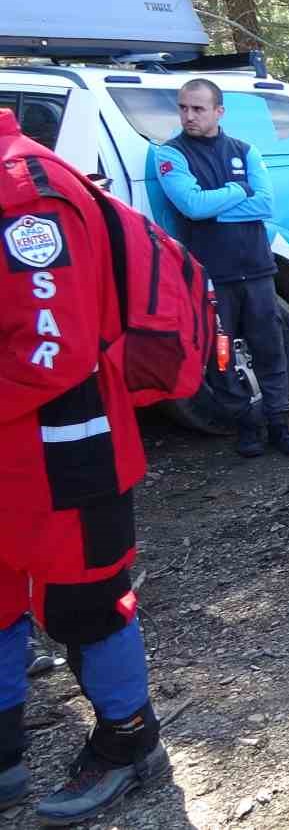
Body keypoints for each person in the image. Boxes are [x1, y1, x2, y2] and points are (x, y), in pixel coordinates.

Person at [1, 109, 171, 824]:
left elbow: (54, 345)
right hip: (12, 454)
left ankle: (129, 742)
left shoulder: (26, 192)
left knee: (86, 605)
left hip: (70, 449)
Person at [154, 78, 289, 458]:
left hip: (256, 270)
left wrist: (214, 208)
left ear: (219, 112)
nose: (189, 116)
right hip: (211, 278)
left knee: (271, 350)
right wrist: (238, 193)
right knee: (219, 355)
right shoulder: (169, 154)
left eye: (198, 109)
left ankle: (279, 424)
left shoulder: (245, 150)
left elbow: (265, 204)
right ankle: (246, 424)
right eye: (184, 108)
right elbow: (191, 206)